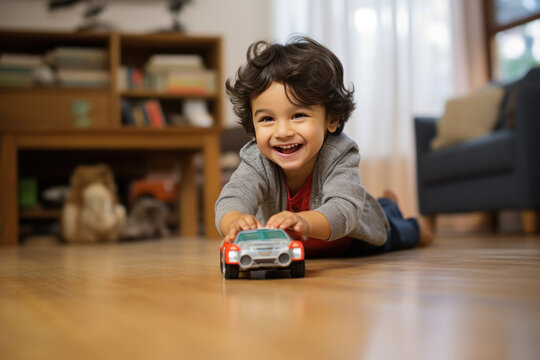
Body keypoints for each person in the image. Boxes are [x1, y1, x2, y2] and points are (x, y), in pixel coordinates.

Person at [215, 36, 433, 258]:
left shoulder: (339, 154)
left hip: (350, 240)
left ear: (331, 119)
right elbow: (233, 197)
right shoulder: (257, 160)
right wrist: (233, 220)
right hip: (294, 247)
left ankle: (406, 222)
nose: (282, 132)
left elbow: (344, 209)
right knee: (380, 210)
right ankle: (386, 204)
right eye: (267, 119)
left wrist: (304, 222)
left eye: (298, 115)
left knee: (390, 234)